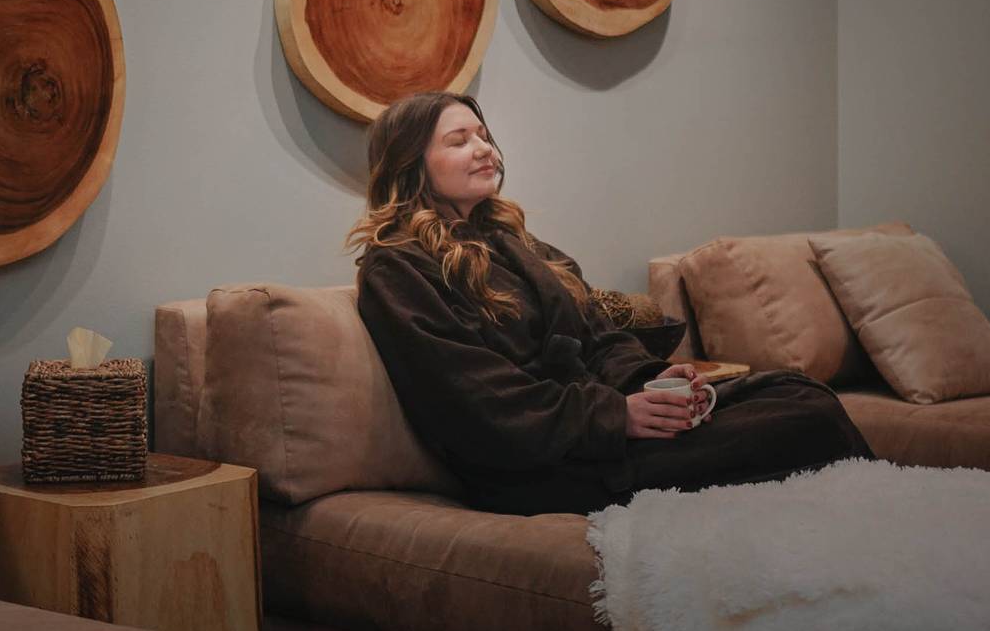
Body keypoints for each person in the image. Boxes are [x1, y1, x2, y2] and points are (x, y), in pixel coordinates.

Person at [351, 91, 872, 516]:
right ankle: (877, 522)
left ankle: (866, 518)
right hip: (543, 466)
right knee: (808, 421)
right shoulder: (396, 268)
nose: (485, 149)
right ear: (411, 164)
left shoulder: (522, 247)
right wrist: (614, 418)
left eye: (484, 136)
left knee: (798, 392)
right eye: (459, 141)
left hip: (601, 433)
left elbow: (602, 340)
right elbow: (471, 399)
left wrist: (656, 385)